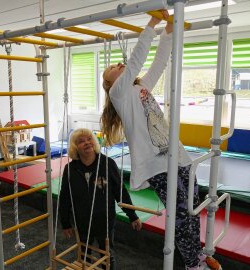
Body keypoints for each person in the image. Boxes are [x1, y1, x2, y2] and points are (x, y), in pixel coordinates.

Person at [100, 10, 221, 270]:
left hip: (177, 155)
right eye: (113, 68)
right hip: (156, 164)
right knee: (179, 212)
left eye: (116, 65)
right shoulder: (119, 94)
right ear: (110, 84)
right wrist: (152, 23)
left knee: (191, 207)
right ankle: (191, 263)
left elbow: (159, 62)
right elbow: (136, 60)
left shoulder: (139, 86)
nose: (119, 66)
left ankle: (195, 255)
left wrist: (169, 30)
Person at [59, 128, 142, 270]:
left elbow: (120, 192)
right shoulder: (70, 169)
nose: (87, 143)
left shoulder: (107, 163)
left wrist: (132, 215)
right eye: (81, 141)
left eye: (89, 139)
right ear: (75, 147)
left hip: (105, 220)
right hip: (82, 220)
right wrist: (65, 223)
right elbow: (65, 197)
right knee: (84, 255)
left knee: (107, 255)